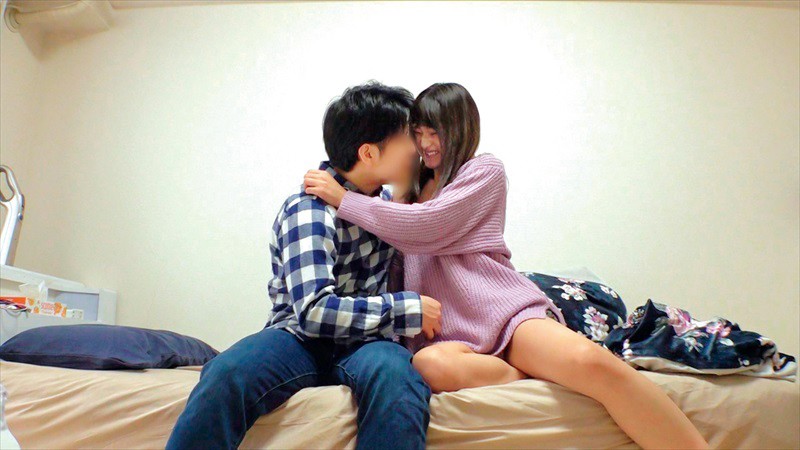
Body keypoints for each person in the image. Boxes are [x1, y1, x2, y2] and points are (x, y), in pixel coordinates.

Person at [303, 82, 710, 450]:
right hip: (445, 329)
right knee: (429, 365)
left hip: (501, 311)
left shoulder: (483, 171)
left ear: (460, 128)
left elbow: (428, 226)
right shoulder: (401, 195)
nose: (426, 144)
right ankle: (531, 375)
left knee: (592, 364)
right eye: (419, 132)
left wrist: (344, 199)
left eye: (435, 132)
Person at [167, 81, 442, 450]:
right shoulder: (310, 209)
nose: (417, 148)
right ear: (369, 153)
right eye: (408, 137)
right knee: (227, 372)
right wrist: (408, 309)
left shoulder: (389, 208)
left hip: (366, 344)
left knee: (399, 378)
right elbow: (314, 311)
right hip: (299, 338)